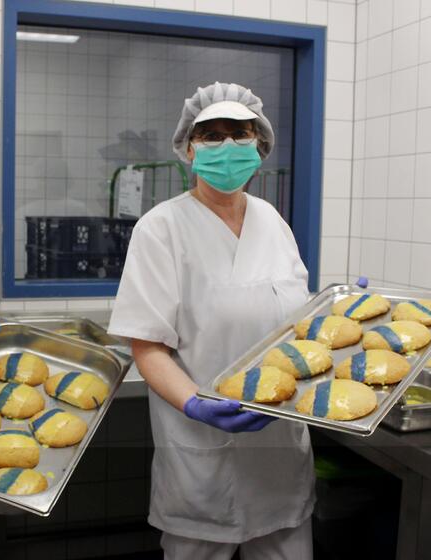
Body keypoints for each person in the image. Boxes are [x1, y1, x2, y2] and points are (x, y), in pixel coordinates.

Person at [108, 82, 315, 559]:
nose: (227, 148)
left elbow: (298, 327)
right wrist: (196, 405)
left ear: (259, 146)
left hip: (280, 452)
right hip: (200, 449)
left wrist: (341, 315)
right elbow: (147, 346)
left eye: (240, 135)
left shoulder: (273, 222)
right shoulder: (161, 227)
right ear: (189, 148)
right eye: (213, 135)